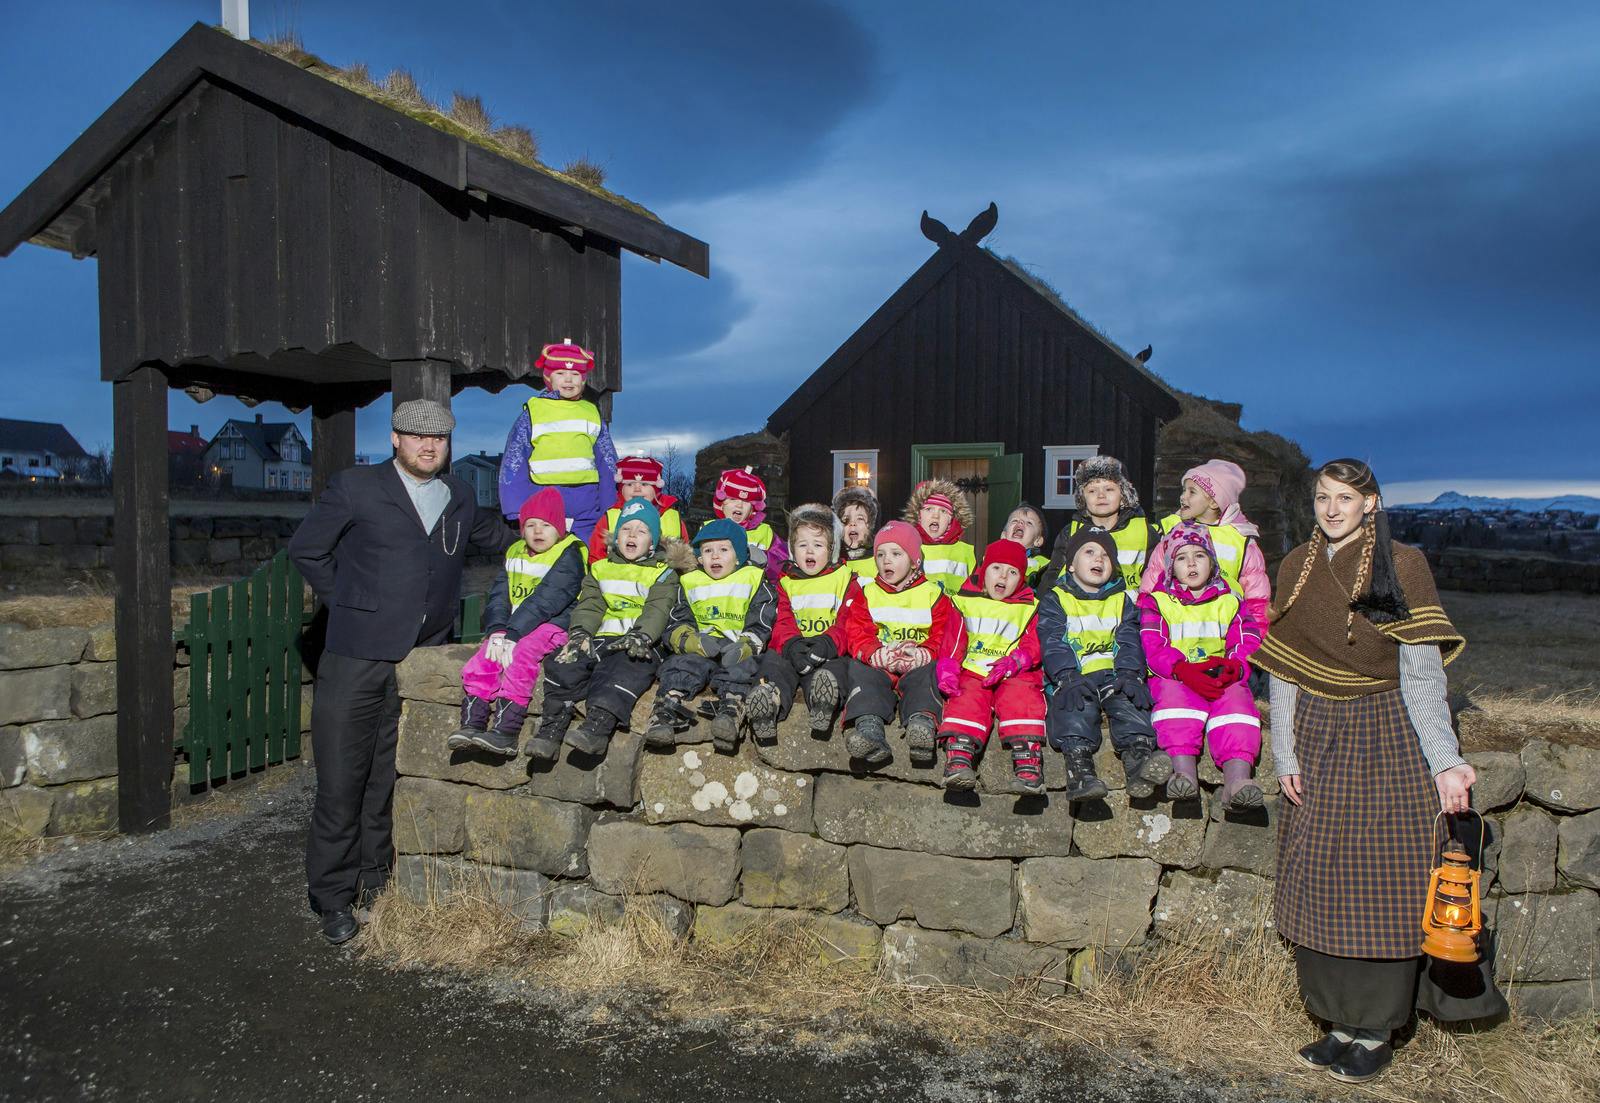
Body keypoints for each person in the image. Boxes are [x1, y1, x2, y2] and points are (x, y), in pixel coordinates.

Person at [1255, 459, 1491, 1085]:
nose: (1331, 509)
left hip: (1386, 736)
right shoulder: (1294, 569)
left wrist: (1445, 761)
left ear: (1372, 503)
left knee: (1384, 882)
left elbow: (1420, 676)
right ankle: (1336, 1022)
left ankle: (1377, 1030)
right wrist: (1287, 755)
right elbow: (1285, 673)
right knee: (1321, 878)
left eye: (1345, 498)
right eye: (1322, 498)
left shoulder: (1402, 564)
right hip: (1319, 740)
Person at [288, 399, 505, 945]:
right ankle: (333, 897)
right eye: (416, 436)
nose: (429, 446)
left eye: (439, 439)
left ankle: (373, 882)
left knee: (386, 779)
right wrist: (351, 601)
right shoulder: (356, 487)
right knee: (342, 781)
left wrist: (579, 536)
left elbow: (498, 539)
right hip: (355, 657)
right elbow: (308, 551)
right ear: (395, 438)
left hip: (421, 658)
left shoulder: (458, 494)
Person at [530, 498, 687, 760]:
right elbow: (590, 603)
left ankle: (597, 727)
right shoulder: (601, 568)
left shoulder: (663, 573)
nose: (632, 535)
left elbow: (658, 608)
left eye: (641, 530)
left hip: (640, 642)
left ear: (653, 540)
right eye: (626, 529)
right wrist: (580, 632)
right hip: (601, 638)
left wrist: (643, 635)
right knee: (563, 663)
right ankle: (551, 727)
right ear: (616, 537)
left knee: (623, 669)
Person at [447, 487, 586, 757]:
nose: (537, 531)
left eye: (546, 525)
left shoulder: (569, 555)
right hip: (514, 626)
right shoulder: (515, 553)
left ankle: (506, 730)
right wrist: (498, 629)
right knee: (486, 654)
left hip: (552, 624)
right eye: (530, 525)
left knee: (519, 657)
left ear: (559, 528)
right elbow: (499, 594)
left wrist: (513, 632)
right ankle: (473, 722)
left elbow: (547, 600)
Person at [1137, 522, 1266, 809]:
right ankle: (1184, 774)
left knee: (1238, 705)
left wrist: (1235, 668)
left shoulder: (1230, 601)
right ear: (1171, 567)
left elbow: (1247, 640)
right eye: (1182, 558)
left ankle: (1237, 779)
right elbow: (1153, 645)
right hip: (1177, 676)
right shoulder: (1157, 602)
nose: (1191, 563)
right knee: (1173, 704)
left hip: (1220, 675)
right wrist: (1181, 669)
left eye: (1200, 555)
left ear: (1212, 562)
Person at [1038, 525, 1169, 802]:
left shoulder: (1122, 601)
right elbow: (1052, 639)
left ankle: (1139, 762)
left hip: (1113, 674)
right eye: (1089, 552)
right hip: (1074, 677)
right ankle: (1080, 771)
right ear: (1071, 565)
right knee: (1075, 708)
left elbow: (1130, 638)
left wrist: (1129, 673)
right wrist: (1065, 675)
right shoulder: (1056, 599)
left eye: (1106, 556)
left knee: (1131, 703)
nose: (1098, 559)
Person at [837, 521, 967, 767]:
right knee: (860, 671)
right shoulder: (868, 593)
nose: (887, 561)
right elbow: (857, 629)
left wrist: (924, 653)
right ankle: (869, 728)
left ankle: (922, 723)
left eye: (896, 554)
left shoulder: (932, 594)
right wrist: (874, 653)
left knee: (927, 676)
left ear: (915, 560)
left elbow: (942, 632)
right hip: (883, 660)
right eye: (881, 555)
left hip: (915, 660)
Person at [648, 519, 777, 754]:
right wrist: (689, 640)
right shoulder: (690, 582)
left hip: (737, 644)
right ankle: (665, 710)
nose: (715, 557)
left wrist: (747, 644)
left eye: (723, 550)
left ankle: (730, 710)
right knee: (680, 664)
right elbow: (678, 620)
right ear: (699, 558)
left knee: (743, 667)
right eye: (707, 551)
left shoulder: (753, 579)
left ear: (738, 556)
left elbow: (762, 618)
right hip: (702, 644)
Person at [937, 539, 1048, 795]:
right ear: (983, 570)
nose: (1003, 577)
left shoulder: (1030, 607)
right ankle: (959, 756)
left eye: (1012, 573)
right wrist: (948, 669)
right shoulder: (965, 601)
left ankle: (1027, 761)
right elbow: (955, 639)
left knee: (1022, 695)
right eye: (996, 568)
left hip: (1013, 670)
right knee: (965, 695)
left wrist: (1018, 660)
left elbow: (1035, 642)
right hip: (974, 668)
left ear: (1021, 579)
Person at [744, 503, 860, 744]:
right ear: (792, 549)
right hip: (794, 648)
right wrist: (791, 645)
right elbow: (782, 619)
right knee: (773, 664)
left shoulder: (845, 579)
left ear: (831, 549)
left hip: (829, 649)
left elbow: (850, 620)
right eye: (802, 545)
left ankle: (824, 701)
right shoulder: (787, 582)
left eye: (817, 546)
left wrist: (829, 643)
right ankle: (769, 699)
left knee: (836, 669)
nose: (809, 552)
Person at [497, 339, 618, 541]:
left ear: (583, 379)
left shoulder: (592, 413)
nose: (568, 380)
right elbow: (514, 460)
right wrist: (515, 507)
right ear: (548, 377)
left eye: (575, 374)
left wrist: (611, 506)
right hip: (544, 501)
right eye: (560, 373)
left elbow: (607, 462)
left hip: (586, 503)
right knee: (548, 558)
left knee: (588, 554)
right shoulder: (533, 413)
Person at [1143, 459, 1271, 632]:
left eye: (1192, 492)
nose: (1183, 497)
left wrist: (1257, 632)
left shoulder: (1241, 540)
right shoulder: (1175, 532)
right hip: (1178, 627)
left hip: (1224, 629)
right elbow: (1155, 573)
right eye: (1183, 491)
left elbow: (1256, 593)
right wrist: (1144, 615)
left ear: (1213, 501)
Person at [1040, 455, 1162, 592]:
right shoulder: (1071, 533)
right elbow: (1053, 576)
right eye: (1092, 491)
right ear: (1083, 498)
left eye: (1109, 489)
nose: (1101, 495)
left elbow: (1156, 577)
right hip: (1079, 609)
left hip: (1129, 609)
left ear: (1123, 496)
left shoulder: (1144, 532)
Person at [587, 454, 688, 561]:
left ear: (656, 489)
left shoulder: (672, 518)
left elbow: (686, 557)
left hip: (662, 576)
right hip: (618, 575)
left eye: (644, 484)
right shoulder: (610, 517)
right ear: (621, 488)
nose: (637, 489)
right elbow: (596, 556)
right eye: (630, 484)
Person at [713, 467, 787, 583]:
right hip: (720, 591)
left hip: (755, 591)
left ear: (753, 508)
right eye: (732, 499)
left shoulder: (764, 532)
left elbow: (782, 560)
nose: (739, 505)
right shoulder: (709, 529)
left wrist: (765, 559)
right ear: (721, 504)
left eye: (746, 502)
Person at [904, 479, 976, 595]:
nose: (936, 515)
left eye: (943, 511)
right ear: (918, 515)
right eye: (929, 509)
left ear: (951, 519)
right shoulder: (906, 548)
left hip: (955, 611)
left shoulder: (964, 552)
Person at [833, 485, 880, 580]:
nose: (853, 524)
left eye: (860, 519)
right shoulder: (834, 563)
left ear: (870, 526)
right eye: (846, 519)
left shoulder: (879, 561)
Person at [1001, 503, 1051, 589]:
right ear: (1004, 536)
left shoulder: (1045, 566)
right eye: (1015, 521)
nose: (1020, 522)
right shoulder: (989, 560)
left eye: (1029, 523)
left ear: (1037, 540)